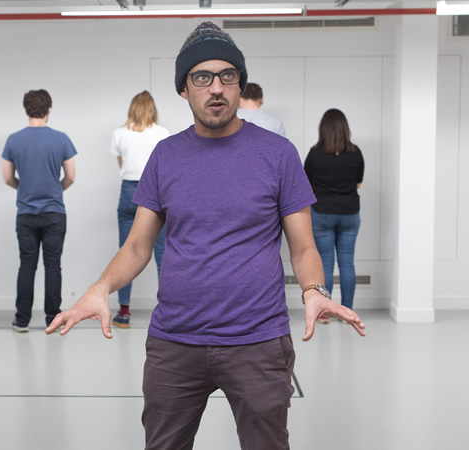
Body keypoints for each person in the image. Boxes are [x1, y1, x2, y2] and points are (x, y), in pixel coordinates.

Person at [46, 22, 365, 450]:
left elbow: (304, 245)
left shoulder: (277, 154)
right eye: (202, 77)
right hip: (175, 342)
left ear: (240, 84)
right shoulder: (165, 155)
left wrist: (313, 289)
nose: (216, 88)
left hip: (258, 341)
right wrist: (100, 288)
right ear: (184, 88)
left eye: (227, 76)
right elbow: (139, 245)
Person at [2, 89, 77, 332]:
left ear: (26, 110)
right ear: (48, 110)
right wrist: (55, 189)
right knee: (53, 266)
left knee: (27, 266)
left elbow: (7, 178)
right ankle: (52, 319)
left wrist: (24, 188)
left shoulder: (13, 139)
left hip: (25, 213)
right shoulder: (61, 138)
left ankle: (21, 320)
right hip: (54, 212)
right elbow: (71, 177)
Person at [109, 91, 170, 328]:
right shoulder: (162, 134)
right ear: (152, 109)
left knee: (126, 251)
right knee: (162, 253)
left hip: (128, 193)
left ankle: (123, 312)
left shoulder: (120, 133)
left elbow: (121, 164)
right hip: (155, 191)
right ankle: (168, 308)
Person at [304, 108, 365, 323]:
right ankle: (346, 311)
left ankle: (325, 313)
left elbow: (307, 184)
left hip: (322, 213)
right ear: (345, 129)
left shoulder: (315, 153)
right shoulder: (355, 153)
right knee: (347, 263)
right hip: (349, 213)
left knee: (326, 264)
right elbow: (358, 182)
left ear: (323, 129)